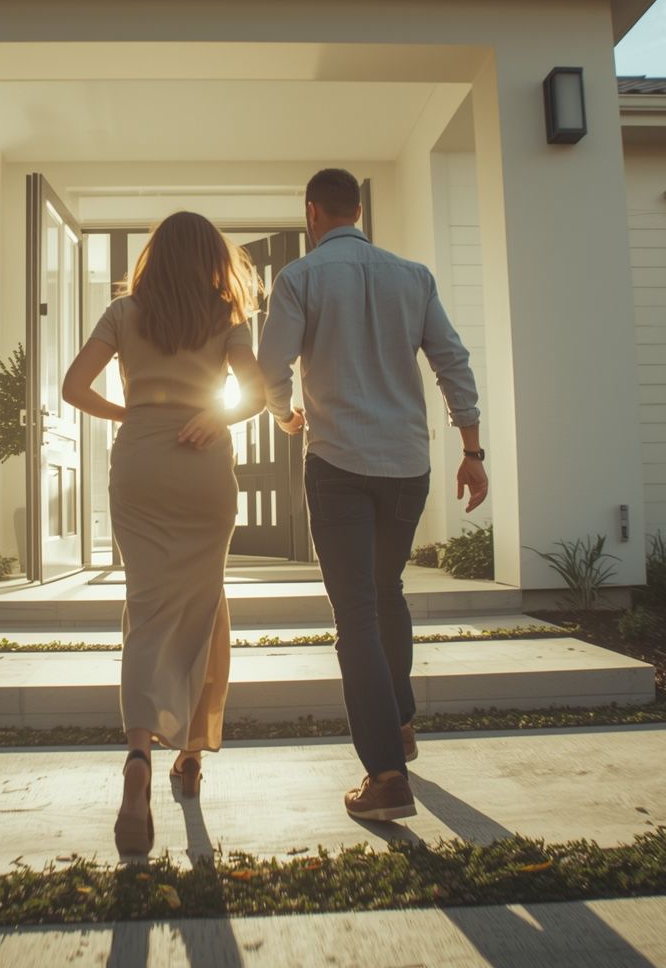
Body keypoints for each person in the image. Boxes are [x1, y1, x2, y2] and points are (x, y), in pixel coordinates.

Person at [258, 168, 487, 822]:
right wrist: (471, 453)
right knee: (387, 592)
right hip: (406, 465)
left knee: (355, 610)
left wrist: (283, 413)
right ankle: (401, 725)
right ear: (356, 210)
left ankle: (385, 775)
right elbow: (453, 362)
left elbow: (270, 367)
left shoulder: (300, 278)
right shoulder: (412, 277)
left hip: (336, 462)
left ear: (312, 213)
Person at [60, 210, 267, 856]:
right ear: (211, 257)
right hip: (202, 467)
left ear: (153, 256)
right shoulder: (223, 316)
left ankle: (139, 756)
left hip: (141, 463)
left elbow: (72, 387)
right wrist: (212, 411)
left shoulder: (124, 314)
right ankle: (193, 756)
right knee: (206, 605)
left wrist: (134, 412)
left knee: (146, 610)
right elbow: (257, 393)